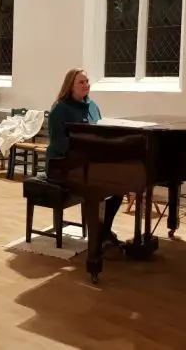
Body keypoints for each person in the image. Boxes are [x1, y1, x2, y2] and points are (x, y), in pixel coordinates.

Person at [45, 68, 124, 247]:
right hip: (61, 165)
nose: (86, 85)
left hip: (88, 163)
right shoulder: (60, 109)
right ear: (70, 86)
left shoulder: (93, 106)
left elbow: (100, 132)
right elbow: (59, 143)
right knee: (96, 186)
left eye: (87, 81)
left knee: (120, 186)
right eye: (81, 82)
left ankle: (103, 230)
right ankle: (100, 233)